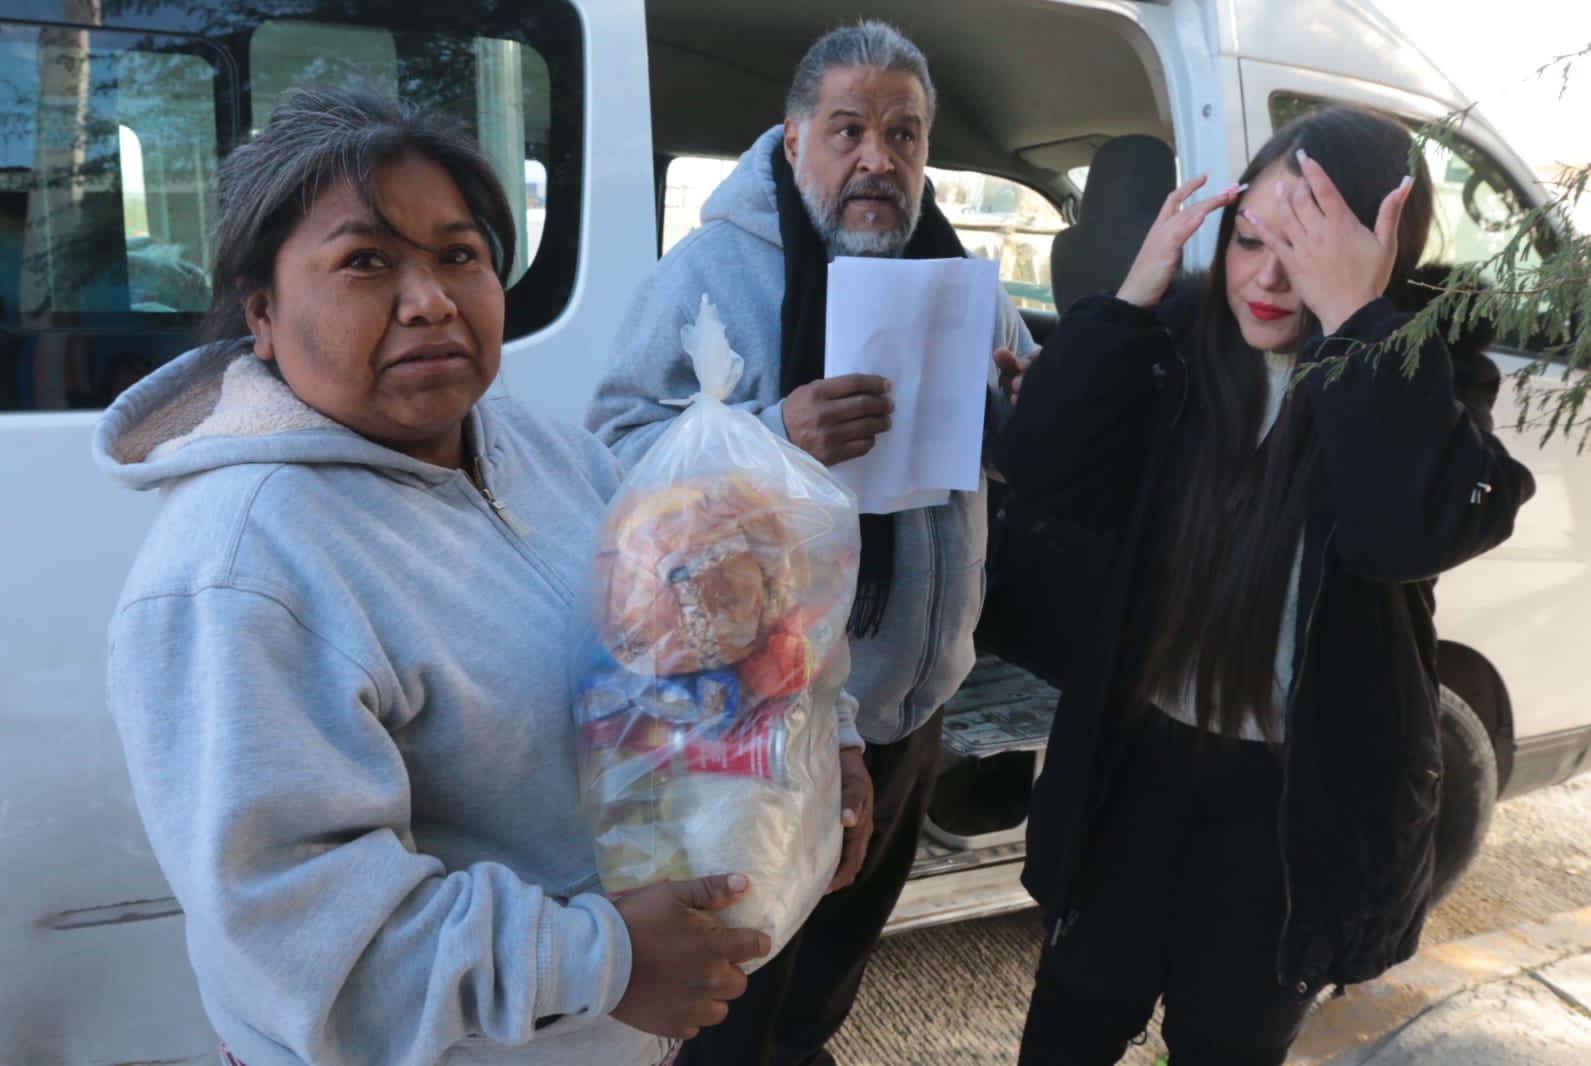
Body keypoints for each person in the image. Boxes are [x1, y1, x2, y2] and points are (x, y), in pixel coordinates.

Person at [93, 87, 810, 1066]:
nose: (430, 298)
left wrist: (819, 735)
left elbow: (676, 643)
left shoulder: (544, 452)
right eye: (365, 260)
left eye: (459, 255)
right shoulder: (239, 571)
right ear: (262, 312)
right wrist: (600, 961)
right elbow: (303, 944)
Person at [998, 105, 1536, 1066]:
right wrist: (1128, 298)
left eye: (1307, 249)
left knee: (1225, 1041)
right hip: (1135, 764)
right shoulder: (1175, 344)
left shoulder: (1427, 380)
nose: (1267, 278)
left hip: (1292, 803)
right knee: (1071, 1021)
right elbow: (1045, 475)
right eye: (1249, 240)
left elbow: (1400, 536)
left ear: (1380, 254)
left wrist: (1357, 327)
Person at [584, 20, 1034, 1066]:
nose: (877, 158)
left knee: (832, 965)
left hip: (907, 701)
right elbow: (611, 456)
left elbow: (1013, 450)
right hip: (760, 716)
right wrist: (770, 435)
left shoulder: (960, 279)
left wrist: (1032, 409)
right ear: (792, 142)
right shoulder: (707, 273)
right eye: (847, 130)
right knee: (736, 982)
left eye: (903, 134)